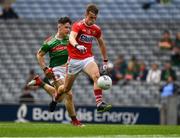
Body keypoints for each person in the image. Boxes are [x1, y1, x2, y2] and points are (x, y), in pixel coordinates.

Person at [57, 4, 112, 113]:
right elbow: (72, 37)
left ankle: (99, 104)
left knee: (97, 75)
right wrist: (77, 45)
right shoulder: (78, 25)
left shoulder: (96, 29)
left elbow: (101, 44)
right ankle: (57, 94)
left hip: (87, 58)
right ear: (86, 15)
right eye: (91, 17)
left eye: (95, 18)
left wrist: (105, 61)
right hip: (74, 60)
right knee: (66, 89)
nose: (93, 20)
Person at [28, 17, 83, 126]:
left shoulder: (70, 39)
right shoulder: (50, 42)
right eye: (66, 27)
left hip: (68, 70)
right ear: (59, 27)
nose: (68, 30)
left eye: (69, 27)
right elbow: (39, 55)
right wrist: (45, 69)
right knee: (69, 94)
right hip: (55, 70)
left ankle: (41, 83)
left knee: (60, 97)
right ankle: (75, 121)